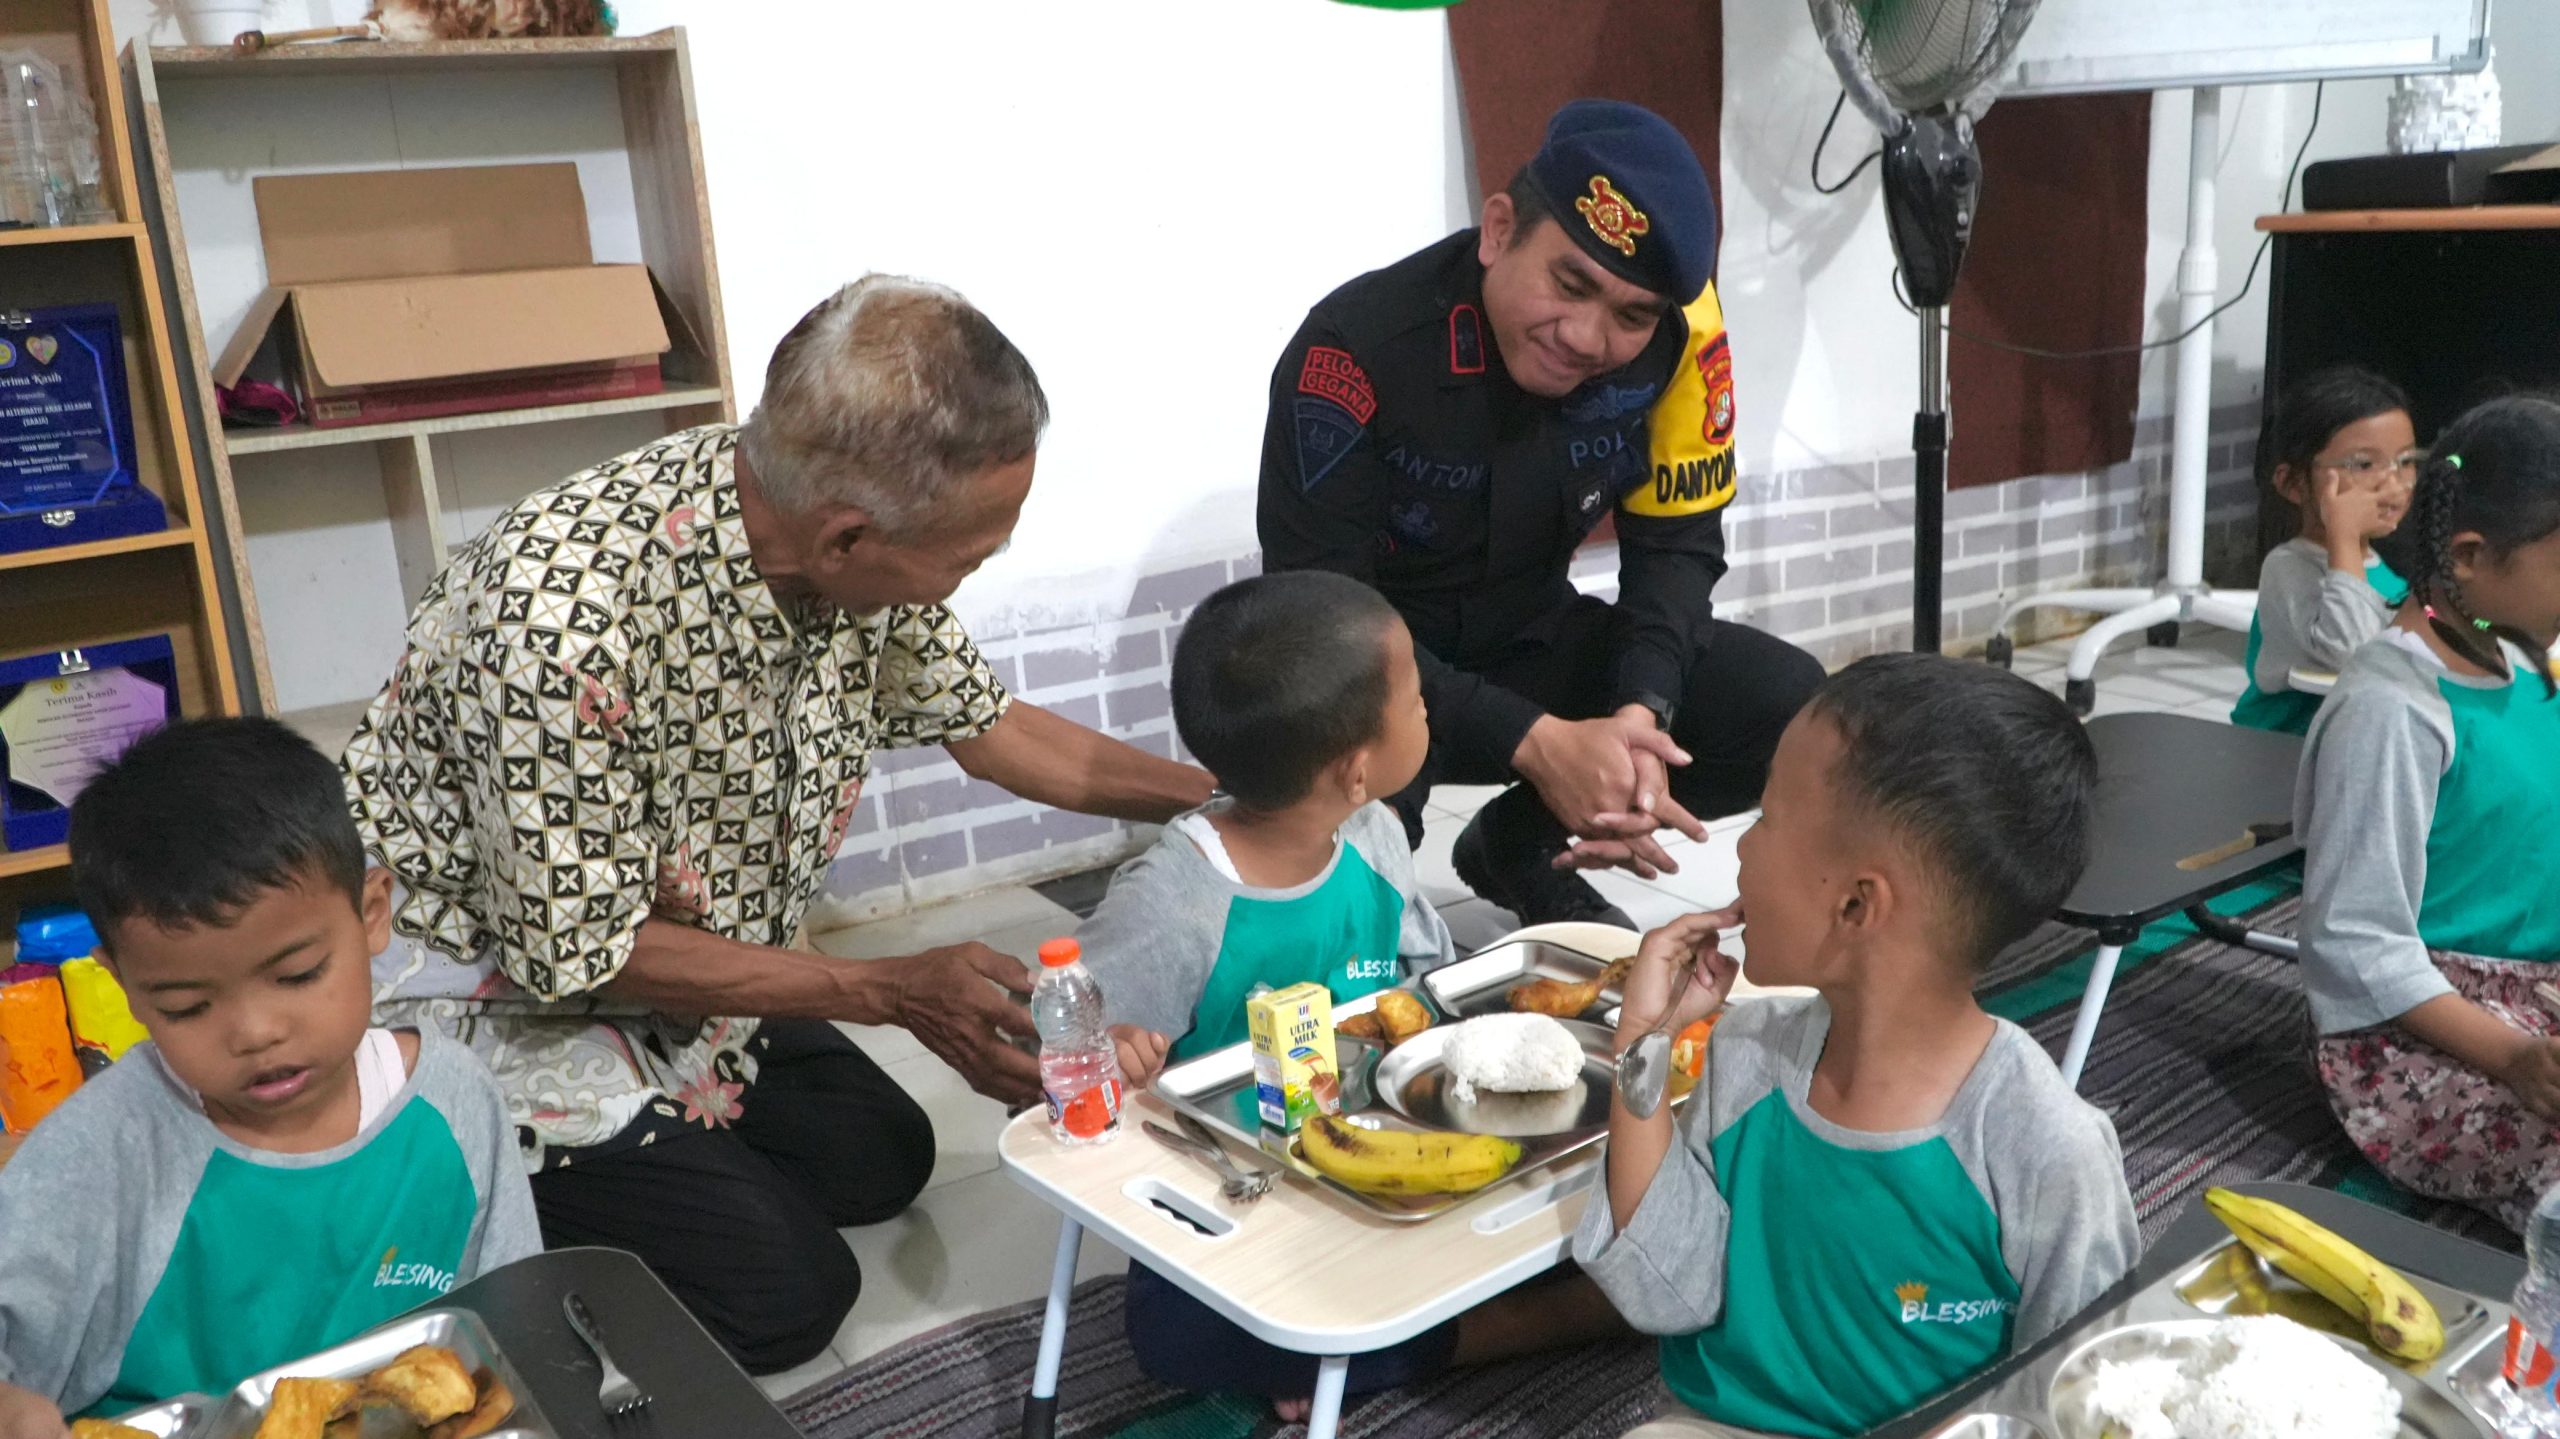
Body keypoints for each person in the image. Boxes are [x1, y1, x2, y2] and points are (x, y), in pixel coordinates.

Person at [337, 276, 1215, 1373]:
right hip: (494, 996)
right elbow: (578, 956)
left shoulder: (804, 512)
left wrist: (1227, 797)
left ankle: (671, 1152)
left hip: (677, 960)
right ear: (847, 538)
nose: (970, 573)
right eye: (969, 555)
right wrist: (890, 987)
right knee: (791, 1295)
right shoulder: (558, 628)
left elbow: (988, 726)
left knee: (882, 1156)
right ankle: (440, 1187)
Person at [1258, 98, 1821, 927]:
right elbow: (1322, 620)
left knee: (1787, 705)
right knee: (1352, 896)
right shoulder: (1354, 352)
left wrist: (1640, 714)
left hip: (1531, 641)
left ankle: (1519, 846)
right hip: (1376, 679)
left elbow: (1677, 547)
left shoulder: (1681, 341)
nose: (1588, 338)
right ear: (1497, 231)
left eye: (1631, 314)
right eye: (1570, 284)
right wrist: (1534, 741)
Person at [1081, 570, 1623, 1417]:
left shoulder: (1370, 834)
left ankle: (1361, 1346)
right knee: (1174, 1336)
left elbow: (1429, 990)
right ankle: (1528, 1326)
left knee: (1578, 1198)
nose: (1431, 713)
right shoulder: (1172, 903)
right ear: (1358, 768)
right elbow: (1070, 1064)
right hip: (1252, 1195)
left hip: (1395, 1161)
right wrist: (1115, 1053)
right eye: (1415, 699)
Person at [1576, 655, 2140, 1439]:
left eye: (1765, 818)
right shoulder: (1745, 1055)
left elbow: (2083, 1396)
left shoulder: (2047, 1150)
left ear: (1854, 904)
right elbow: (1666, 1291)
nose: (1741, 848)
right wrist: (1644, 1039)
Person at [0, 719, 539, 1436]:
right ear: (124, 984)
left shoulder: (455, 1106)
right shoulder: (99, 1153)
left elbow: (515, 1331)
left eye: (298, 973)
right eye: (188, 1005)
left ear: (372, 914)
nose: (255, 1032)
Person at [2300, 395, 2560, 1233]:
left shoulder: (2524, 657)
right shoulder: (2392, 709)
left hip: (2534, 988)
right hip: (2423, 1031)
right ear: (2472, 558)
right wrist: (2516, 1058)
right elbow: (2357, 940)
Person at [2230, 366, 2419, 733]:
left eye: (2406, 461)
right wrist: (2344, 537)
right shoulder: (2288, 567)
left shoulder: (2388, 570)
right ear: (2293, 484)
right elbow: (2354, 655)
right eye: (2364, 464)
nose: (2393, 482)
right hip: (2280, 749)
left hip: (2356, 744)